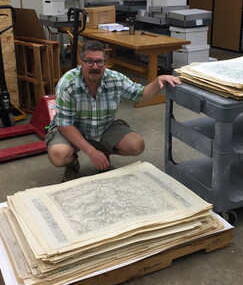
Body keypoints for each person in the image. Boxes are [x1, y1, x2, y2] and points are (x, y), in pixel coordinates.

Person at [46, 40, 181, 182]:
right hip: (73, 128)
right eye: (89, 61)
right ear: (81, 62)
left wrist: (159, 80)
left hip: (103, 127)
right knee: (59, 155)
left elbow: (141, 94)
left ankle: (104, 150)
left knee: (136, 145)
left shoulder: (115, 79)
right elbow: (64, 124)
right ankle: (73, 163)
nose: (95, 66)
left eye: (99, 62)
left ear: (105, 62)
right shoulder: (67, 83)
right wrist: (91, 152)